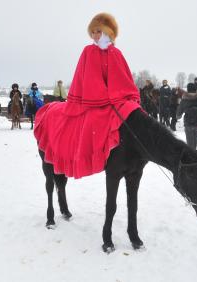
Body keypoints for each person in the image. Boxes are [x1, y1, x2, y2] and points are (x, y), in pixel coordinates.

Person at [34, 13, 140, 178]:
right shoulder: (88, 52)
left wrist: (118, 97)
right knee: (91, 120)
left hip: (114, 101)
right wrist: (101, 96)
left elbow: (123, 81)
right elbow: (85, 79)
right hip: (92, 101)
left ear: (108, 32)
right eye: (94, 32)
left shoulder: (116, 54)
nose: (96, 35)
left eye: (99, 31)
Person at [177, 83, 197, 149]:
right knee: (194, 143)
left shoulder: (184, 100)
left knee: (190, 144)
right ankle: (194, 155)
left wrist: (178, 116)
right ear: (195, 89)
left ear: (188, 89)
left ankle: (192, 157)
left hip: (188, 124)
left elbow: (179, 113)